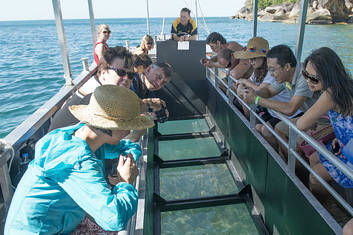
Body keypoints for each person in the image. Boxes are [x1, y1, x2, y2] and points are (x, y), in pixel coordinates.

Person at [5, 85, 155, 234]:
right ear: (112, 127)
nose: (129, 131)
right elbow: (115, 219)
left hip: (60, 224)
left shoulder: (77, 135)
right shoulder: (76, 160)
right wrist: (126, 182)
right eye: (127, 126)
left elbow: (128, 147)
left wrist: (128, 160)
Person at [295, 47, 353, 202]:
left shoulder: (330, 94)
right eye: (305, 74)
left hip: (350, 156)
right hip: (346, 146)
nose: (308, 81)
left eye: (313, 78)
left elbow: (301, 124)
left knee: (315, 177)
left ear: (329, 76)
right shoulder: (346, 86)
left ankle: (326, 211)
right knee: (314, 157)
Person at [240, 45, 321, 152]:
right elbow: (269, 91)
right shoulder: (286, 76)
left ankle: (296, 166)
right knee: (279, 129)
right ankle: (285, 161)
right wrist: (252, 93)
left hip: (322, 118)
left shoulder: (304, 77)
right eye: (269, 70)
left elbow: (290, 109)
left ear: (287, 67)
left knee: (300, 143)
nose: (271, 74)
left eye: (273, 70)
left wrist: (256, 99)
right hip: (309, 115)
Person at [234, 37, 302, 147]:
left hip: (290, 113)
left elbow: (290, 108)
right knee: (259, 128)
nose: (251, 62)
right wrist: (245, 87)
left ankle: (280, 159)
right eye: (249, 59)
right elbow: (268, 92)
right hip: (276, 111)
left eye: (254, 58)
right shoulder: (277, 73)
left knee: (266, 130)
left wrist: (254, 96)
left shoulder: (284, 74)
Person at [48, 49, 135, 132]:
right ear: (104, 72)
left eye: (131, 75)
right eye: (121, 72)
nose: (126, 78)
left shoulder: (100, 87)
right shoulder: (95, 97)